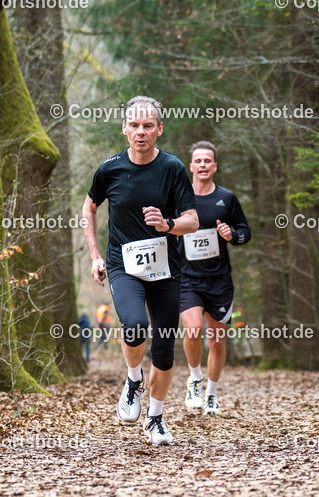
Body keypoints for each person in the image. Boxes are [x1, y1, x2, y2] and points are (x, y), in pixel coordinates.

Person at [81, 96, 198, 445]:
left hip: (166, 269)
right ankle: (133, 380)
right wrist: (95, 256)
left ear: (159, 129)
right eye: (134, 125)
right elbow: (88, 210)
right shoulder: (110, 169)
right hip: (123, 264)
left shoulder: (173, 168)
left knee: (163, 350)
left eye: (148, 125)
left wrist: (168, 224)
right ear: (124, 129)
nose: (140, 132)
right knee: (134, 326)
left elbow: (192, 220)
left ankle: (155, 417)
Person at [178, 141, 250, 415]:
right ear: (191, 166)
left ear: (215, 166)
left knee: (217, 342)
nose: (203, 165)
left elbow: (245, 231)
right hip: (188, 277)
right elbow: (167, 229)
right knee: (193, 330)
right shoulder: (180, 198)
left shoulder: (227, 198)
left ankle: (211, 393)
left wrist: (232, 235)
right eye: (198, 161)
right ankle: (195, 379)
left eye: (208, 160)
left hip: (219, 279)